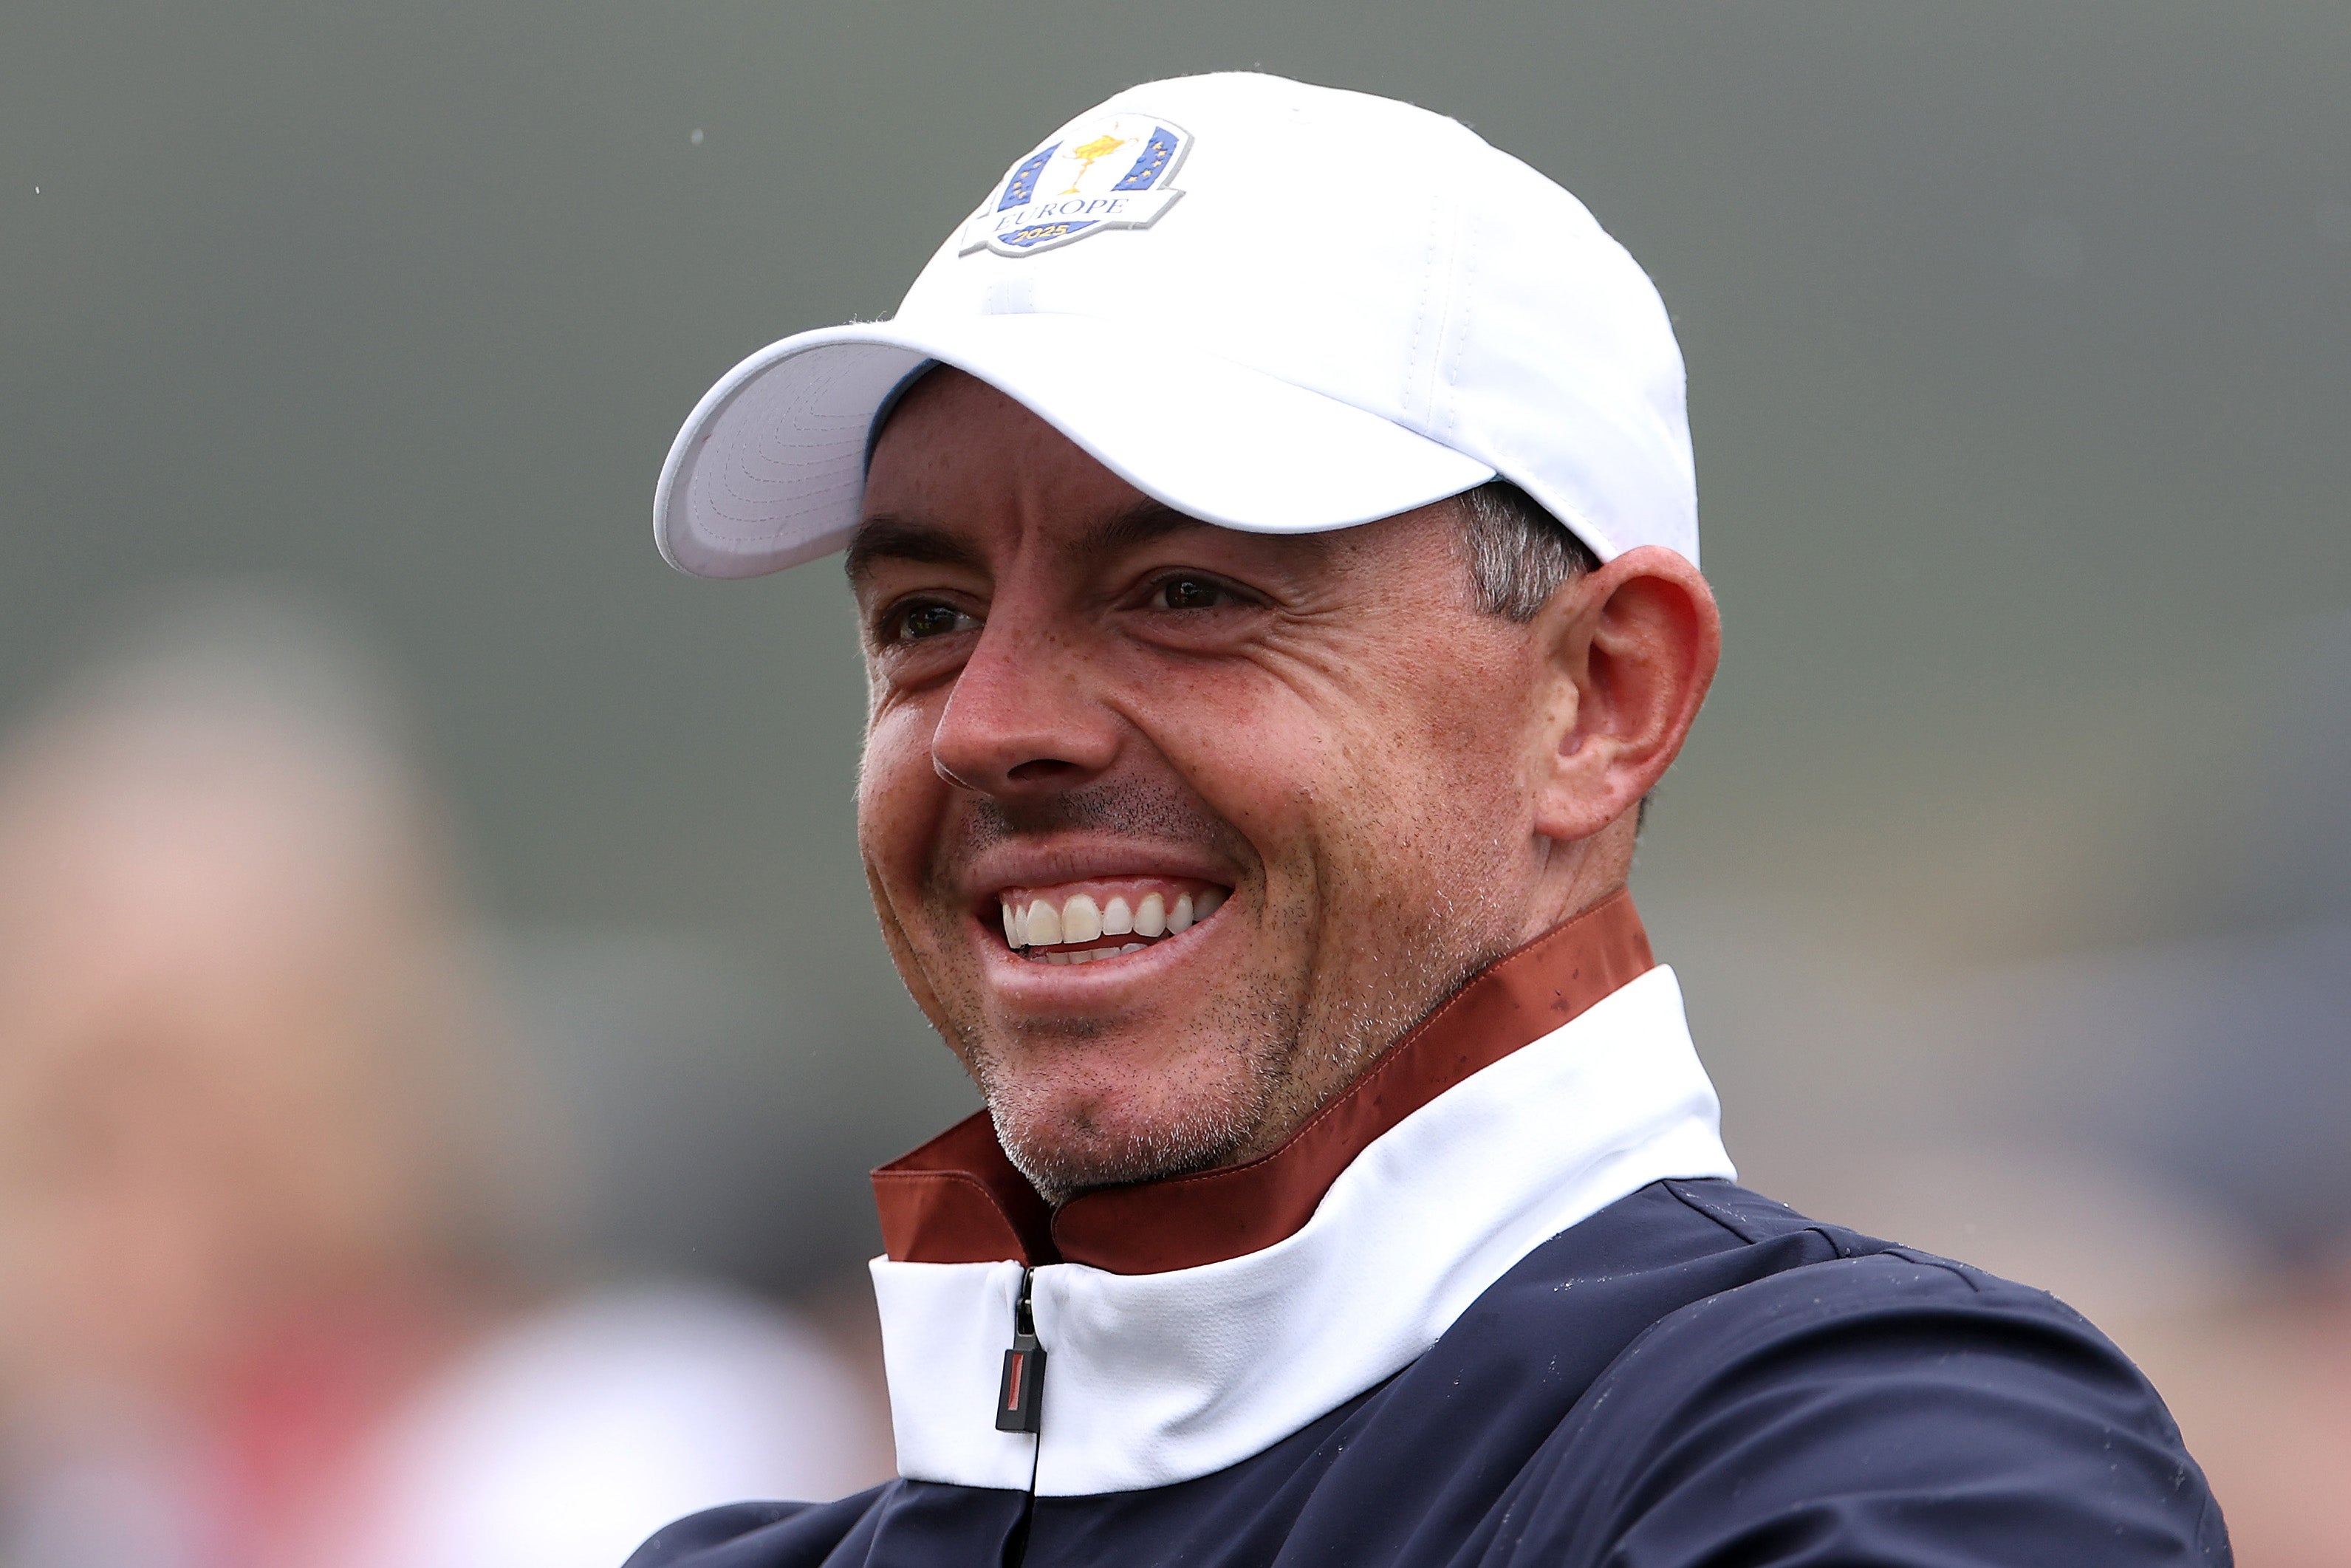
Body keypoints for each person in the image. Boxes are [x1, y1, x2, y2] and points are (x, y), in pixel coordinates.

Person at [628, 72, 2227, 1567]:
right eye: (925, 618)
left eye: (1185, 592)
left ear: (1600, 698)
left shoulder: (1888, 1459)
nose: (990, 726)